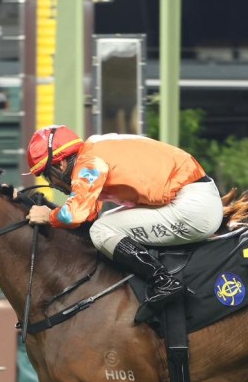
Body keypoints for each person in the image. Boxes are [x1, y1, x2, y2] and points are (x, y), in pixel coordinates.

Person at [24, 125, 222, 310]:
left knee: (102, 230)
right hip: (193, 198)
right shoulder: (94, 151)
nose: (51, 183)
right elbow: (89, 214)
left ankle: (164, 282)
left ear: (62, 163)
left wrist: (48, 215)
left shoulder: (89, 163)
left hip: (194, 208)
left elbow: (75, 215)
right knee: (104, 224)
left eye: (48, 175)